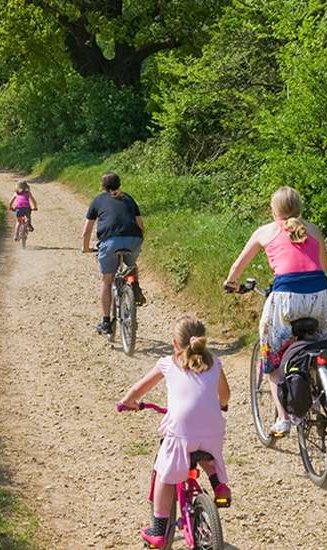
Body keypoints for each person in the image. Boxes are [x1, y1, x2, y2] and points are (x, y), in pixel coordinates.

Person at [222, 186, 327, 435]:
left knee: (273, 358)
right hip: (321, 296)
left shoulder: (265, 231)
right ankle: (318, 389)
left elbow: (238, 266)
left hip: (285, 299)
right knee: (319, 346)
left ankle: (283, 418)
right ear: (300, 207)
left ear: (274, 210)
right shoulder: (313, 230)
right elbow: (324, 266)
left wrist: (231, 282)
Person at [119, 315, 231, 547]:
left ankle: (159, 532)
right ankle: (220, 486)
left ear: (175, 344)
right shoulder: (215, 363)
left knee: (165, 474)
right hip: (213, 430)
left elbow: (139, 389)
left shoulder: (168, 363)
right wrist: (220, 405)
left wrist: (127, 401)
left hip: (181, 434)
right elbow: (225, 394)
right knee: (208, 453)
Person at [82, 171, 146, 335]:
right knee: (131, 264)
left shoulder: (98, 200)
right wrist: (137, 241)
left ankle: (105, 322)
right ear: (119, 184)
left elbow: (87, 231)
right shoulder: (129, 198)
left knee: (107, 280)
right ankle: (134, 285)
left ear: (103, 186)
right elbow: (140, 225)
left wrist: (86, 248)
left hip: (110, 242)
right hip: (134, 240)